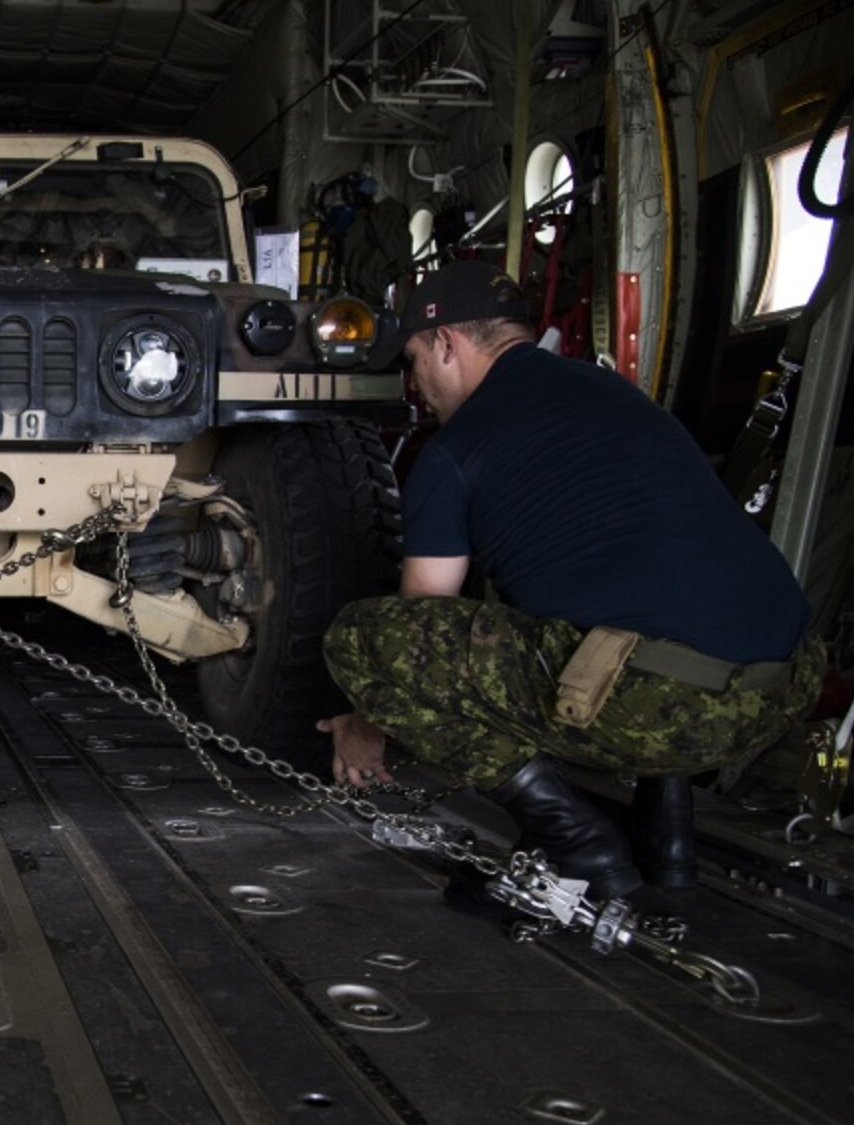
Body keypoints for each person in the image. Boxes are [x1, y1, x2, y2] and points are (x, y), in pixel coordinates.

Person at [316, 261, 821, 911]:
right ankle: (666, 836)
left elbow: (416, 634)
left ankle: (576, 844)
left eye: (414, 361)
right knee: (631, 608)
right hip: (783, 689)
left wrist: (365, 722)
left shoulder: (455, 450)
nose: (416, 386)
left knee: (362, 635)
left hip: (670, 709)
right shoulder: (615, 394)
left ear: (448, 343)